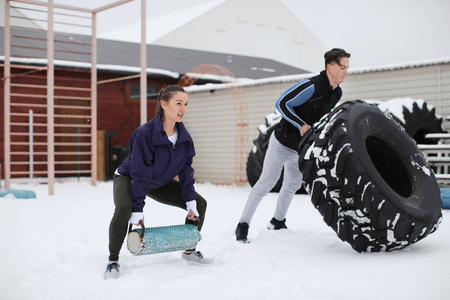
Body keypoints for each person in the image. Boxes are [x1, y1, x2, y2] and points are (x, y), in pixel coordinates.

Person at [235, 48, 351, 242]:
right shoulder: (311, 85)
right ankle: (243, 225)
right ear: (330, 67)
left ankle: (277, 221)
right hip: (282, 142)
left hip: (300, 148)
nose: (346, 72)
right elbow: (282, 104)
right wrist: (300, 125)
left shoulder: (336, 93)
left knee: (292, 185)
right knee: (266, 183)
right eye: (342, 67)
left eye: (347, 68)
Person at [104, 85, 212, 279]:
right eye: (178, 103)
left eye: (186, 104)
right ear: (164, 104)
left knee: (200, 205)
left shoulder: (185, 139)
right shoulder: (144, 134)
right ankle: (113, 261)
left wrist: (189, 201)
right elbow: (140, 172)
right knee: (124, 209)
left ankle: (189, 251)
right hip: (129, 177)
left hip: (157, 182)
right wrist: (137, 210)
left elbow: (186, 171)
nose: (183, 109)